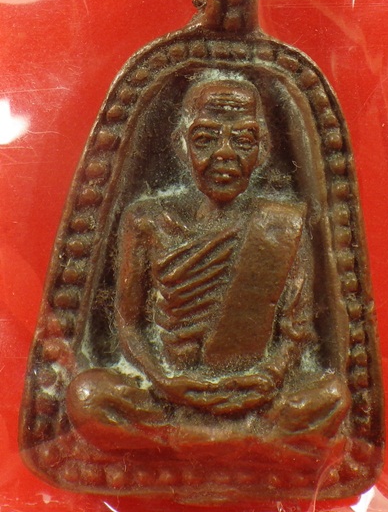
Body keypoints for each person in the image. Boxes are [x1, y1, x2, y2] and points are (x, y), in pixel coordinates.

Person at [67, 76, 350, 457]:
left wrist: (270, 376)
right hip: (169, 390)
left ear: (264, 149)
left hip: (254, 392)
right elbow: (128, 325)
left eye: (243, 140)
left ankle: (184, 444)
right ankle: (248, 446)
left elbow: (296, 331)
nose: (224, 154)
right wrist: (163, 378)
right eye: (205, 139)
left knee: (332, 395)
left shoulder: (282, 223)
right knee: (87, 395)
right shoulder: (146, 220)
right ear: (180, 145)